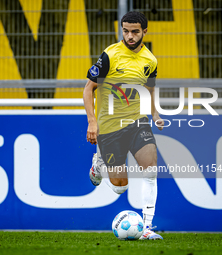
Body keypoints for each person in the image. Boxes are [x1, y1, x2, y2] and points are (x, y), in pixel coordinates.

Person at [83, 11, 164, 240]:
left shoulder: (150, 60)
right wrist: (92, 122)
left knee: (150, 169)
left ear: (144, 32)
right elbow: (88, 89)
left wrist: (155, 113)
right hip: (109, 127)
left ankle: (147, 227)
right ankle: (98, 166)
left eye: (135, 32)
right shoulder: (110, 55)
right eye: (126, 31)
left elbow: (149, 89)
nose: (130, 36)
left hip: (138, 122)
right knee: (120, 187)